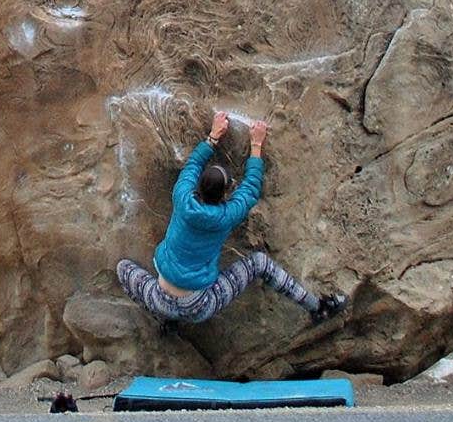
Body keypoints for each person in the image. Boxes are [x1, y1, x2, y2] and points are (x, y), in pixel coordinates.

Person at [116, 110, 347, 326]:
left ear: (198, 187)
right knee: (259, 263)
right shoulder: (226, 216)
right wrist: (256, 145)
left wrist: (213, 136)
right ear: (226, 193)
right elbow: (250, 189)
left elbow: (193, 165)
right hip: (199, 306)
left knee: (123, 268)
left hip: (160, 298)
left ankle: (163, 320)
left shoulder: (181, 196)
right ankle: (318, 308)